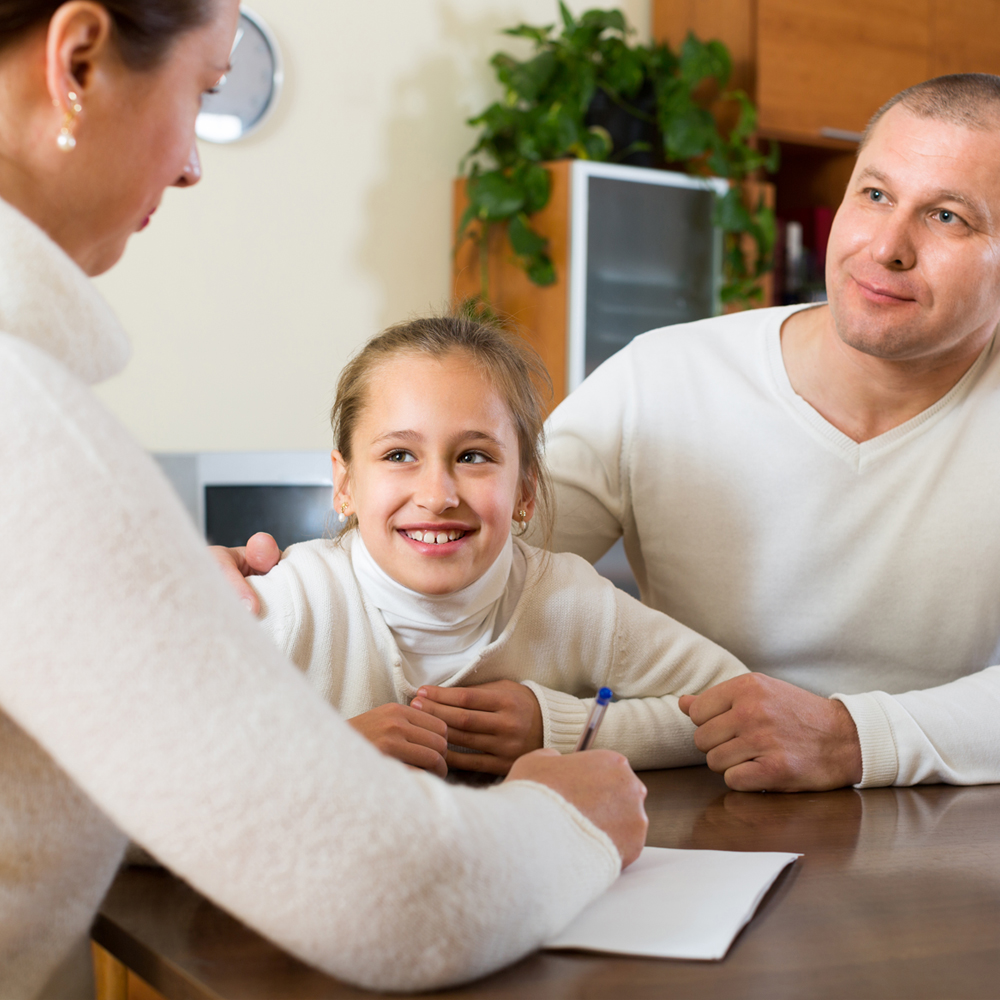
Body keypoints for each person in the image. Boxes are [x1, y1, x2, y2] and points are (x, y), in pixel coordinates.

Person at [0, 3, 648, 998]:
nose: (190, 168)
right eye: (203, 92)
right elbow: (402, 898)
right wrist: (565, 818)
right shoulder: (29, 429)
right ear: (77, 59)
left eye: (475, 456)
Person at [223, 74, 1000, 795]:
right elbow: (466, 562)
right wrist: (220, 591)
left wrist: (854, 738)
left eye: (946, 216)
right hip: (707, 813)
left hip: (938, 843)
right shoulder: (662, 380)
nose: (887, 245)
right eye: (873, 193)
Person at [242, 314, 748, 778]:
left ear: (524, 489)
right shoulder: (292, 605)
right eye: (399, 454)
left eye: (473, 456)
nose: (437, 496)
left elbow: (737, 707)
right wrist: (328, 752)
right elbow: (169, 769)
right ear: (345, 484)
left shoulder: (573, 600)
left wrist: (557, 731)